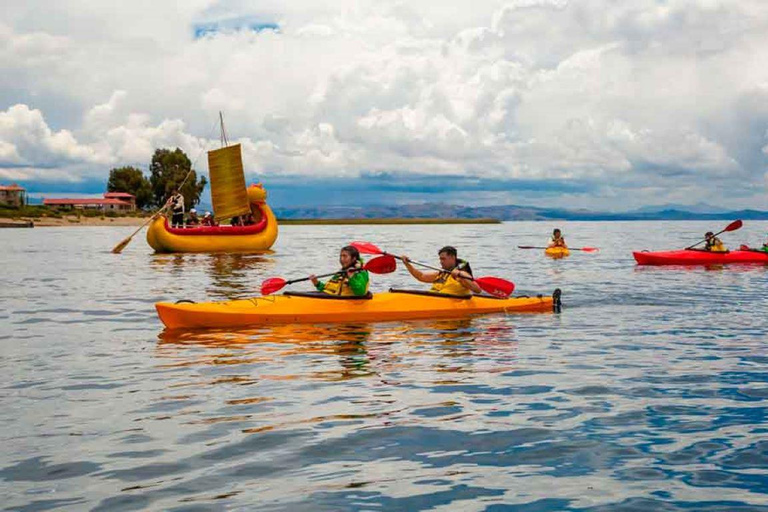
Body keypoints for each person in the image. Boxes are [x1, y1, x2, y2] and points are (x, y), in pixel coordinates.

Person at [401, 246, 481, 295]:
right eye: (440, 259)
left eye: (443, 259)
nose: (441, 261)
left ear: (453, 258)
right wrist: (407, 264)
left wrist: (460, 275)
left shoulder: (462, 274)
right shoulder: (441, 274)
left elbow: (477, 290)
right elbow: (421, 276)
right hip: (433, 300)